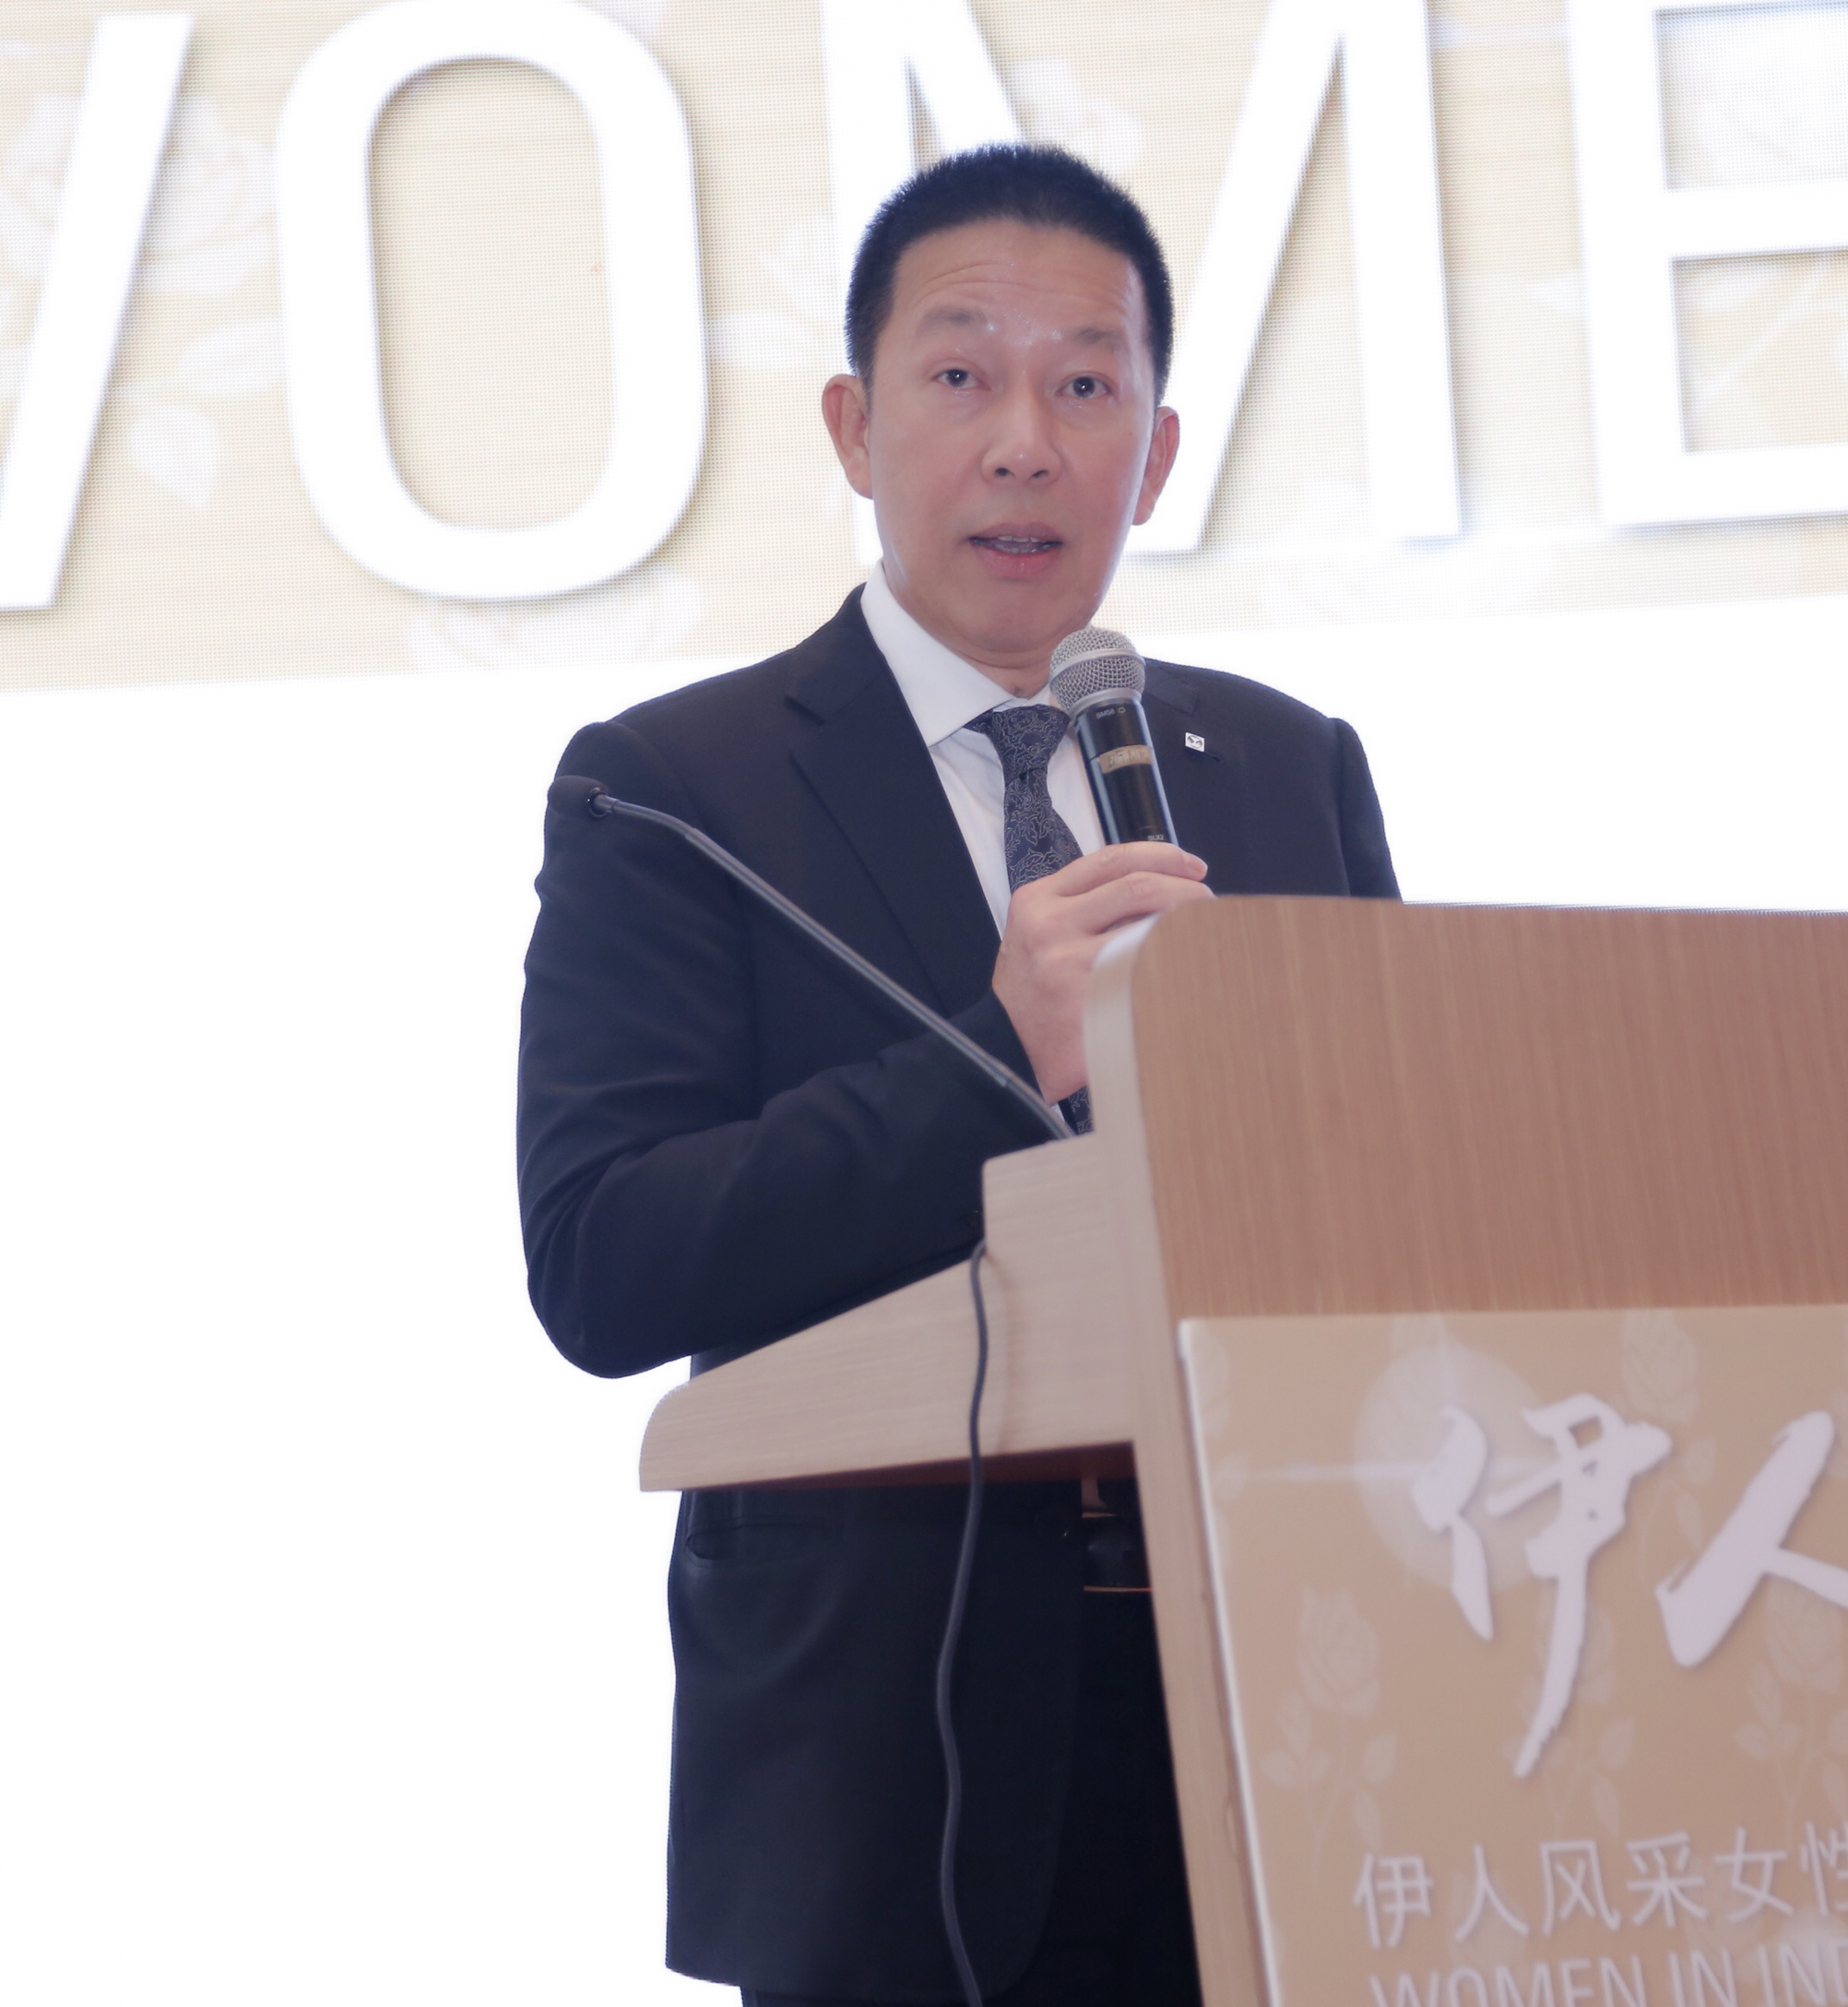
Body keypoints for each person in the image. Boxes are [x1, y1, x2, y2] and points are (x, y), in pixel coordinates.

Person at [516, 144, 1397, 2007]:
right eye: (959, 374)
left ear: (1157, 452)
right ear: (855, 427)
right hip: (883, 1757)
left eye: (1086, 385)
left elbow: (1394, 1206)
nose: (1024, 443)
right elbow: (605, 1255)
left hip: (1286, 1708)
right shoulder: (672, 789)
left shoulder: (1286, 768)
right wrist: (1001, 1054)